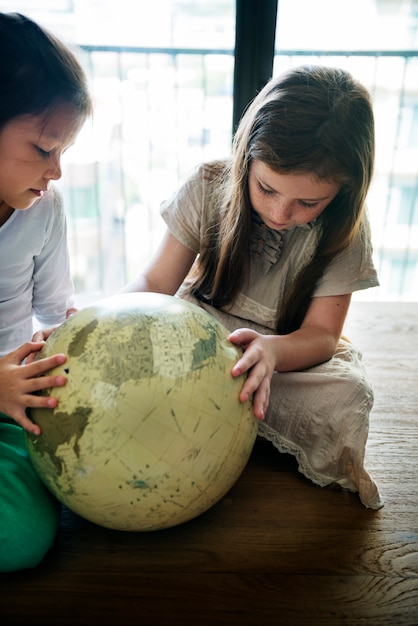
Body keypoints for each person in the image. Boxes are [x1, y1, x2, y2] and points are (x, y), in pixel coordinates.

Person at [122, 64, 383, 510]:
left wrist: (273, 352)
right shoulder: (209, 184)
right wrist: (108, 318)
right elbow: (154, 284)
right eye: (266, 189)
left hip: (283, 354)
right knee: (148, 351)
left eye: (308, 203)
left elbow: (322, 335)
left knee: (347, 396)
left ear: (344, 191)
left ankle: (221, 410)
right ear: (245, 158)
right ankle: (232, 410)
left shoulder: (346, 230)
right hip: (203, 330)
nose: (281, 213)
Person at [0, 12, 92, 571]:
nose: (56, 170)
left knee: (23, 539)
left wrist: (80, 334)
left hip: (11, 412)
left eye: (64, 152)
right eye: (42, 149)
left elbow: (57, 312)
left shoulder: (44, 209)